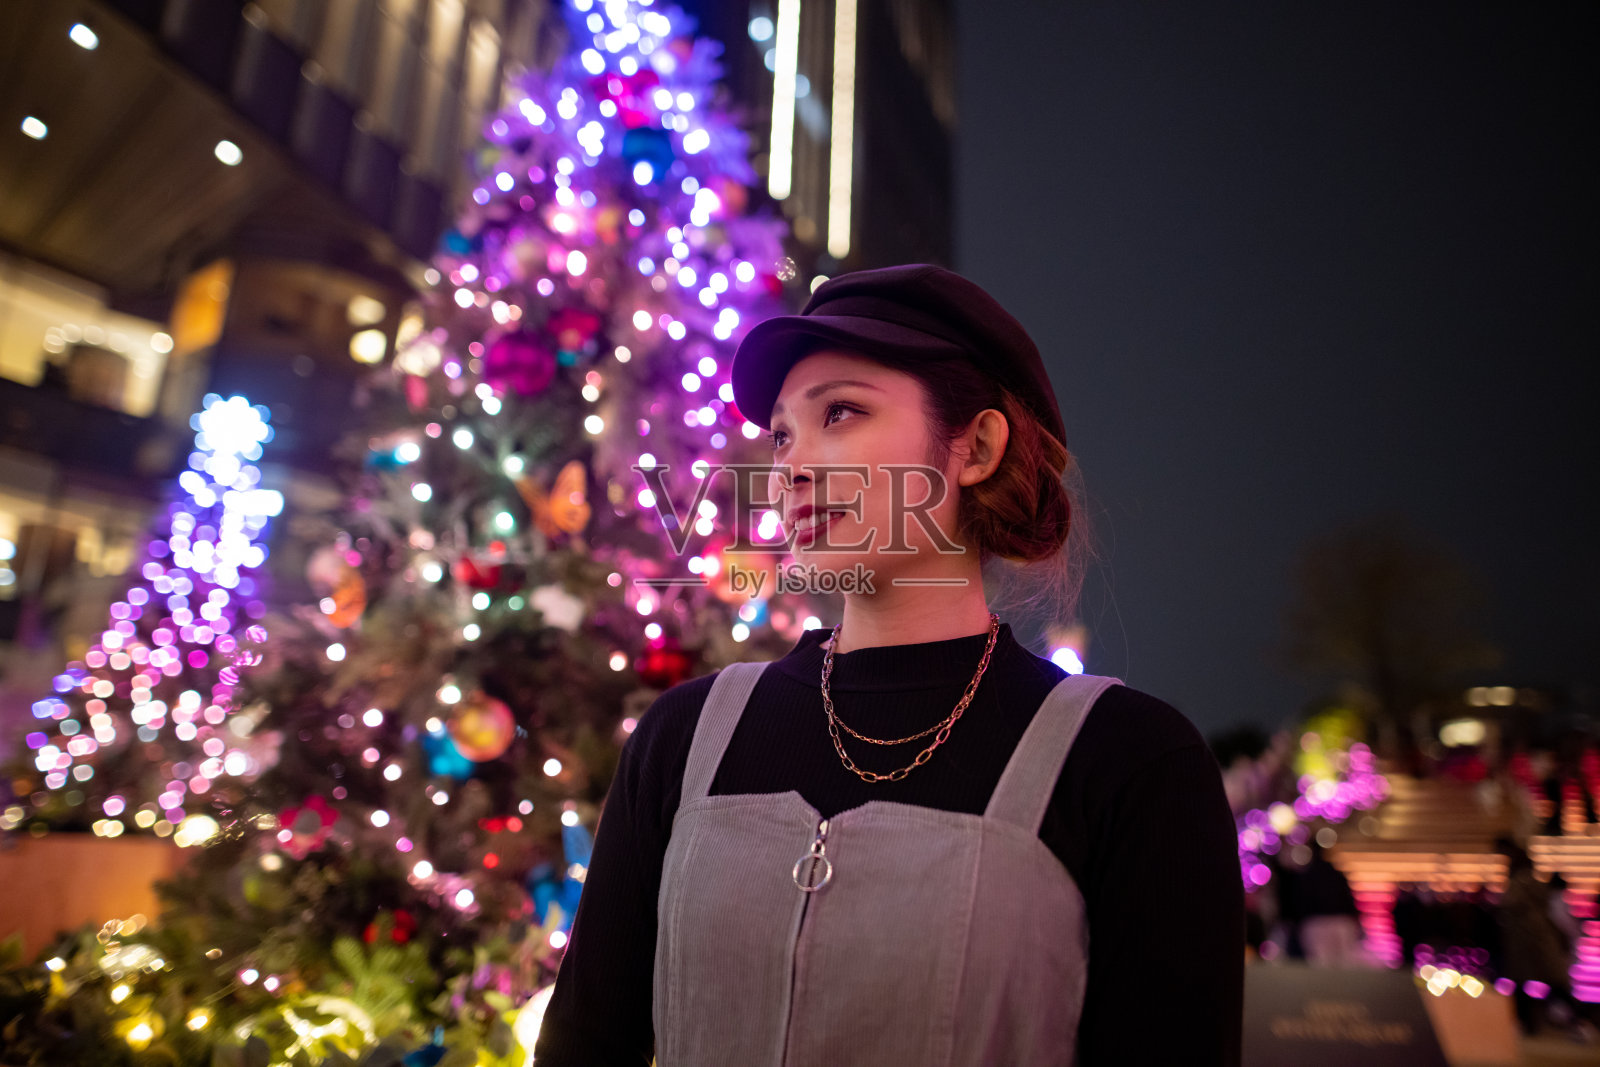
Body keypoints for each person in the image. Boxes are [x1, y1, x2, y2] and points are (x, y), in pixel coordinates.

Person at [533, 264, 1244, 1065]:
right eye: (780, 434)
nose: (791, 468)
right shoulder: (682, 738)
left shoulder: (1131, 763)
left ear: (973, 446)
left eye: (841, 411)